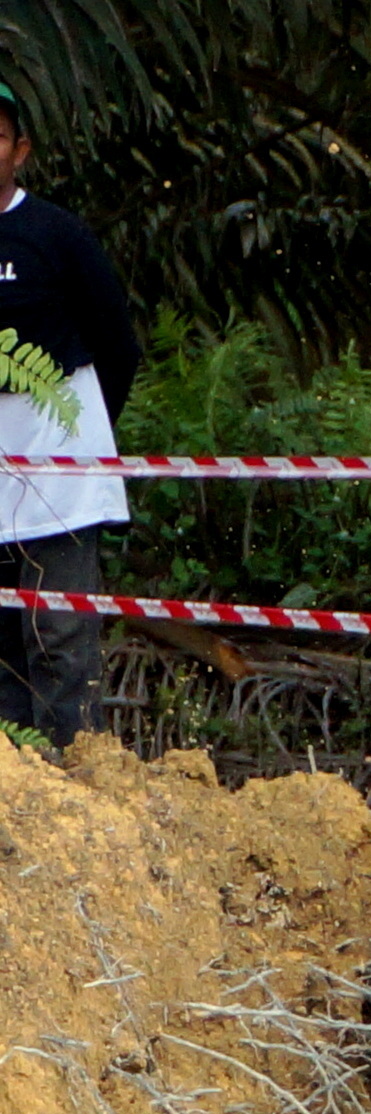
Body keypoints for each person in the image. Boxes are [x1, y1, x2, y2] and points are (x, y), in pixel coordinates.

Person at [0, 81, 140, 748]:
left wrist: (83, 437)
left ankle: (76, 774)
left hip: (59, 464)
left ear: (19, 150)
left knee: (57, 628)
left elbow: (118, 344)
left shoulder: (57, 235)